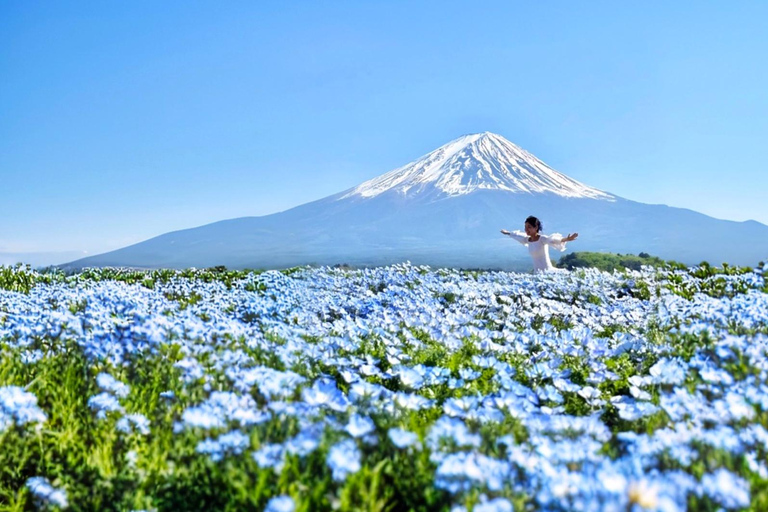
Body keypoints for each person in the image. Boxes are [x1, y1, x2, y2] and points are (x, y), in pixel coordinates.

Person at [500, 215, 578, 272]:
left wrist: (567, 239)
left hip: (547, 272)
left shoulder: (542, 239)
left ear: (536, 227)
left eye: (529, 227)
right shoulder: (527, 240)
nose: (526, 229)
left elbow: (553, 240)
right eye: (525, 227)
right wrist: (508, 233)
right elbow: (518, 236)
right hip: (537, 273)